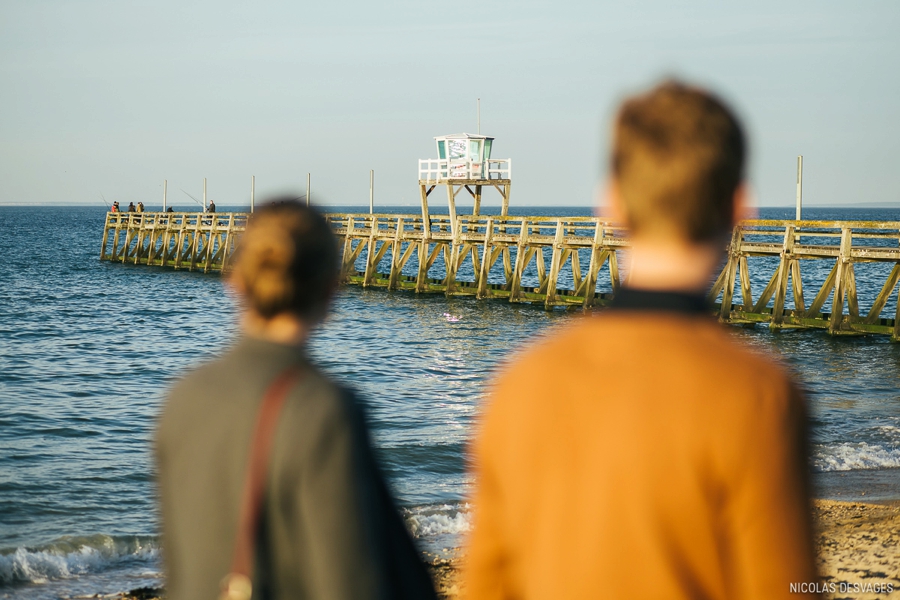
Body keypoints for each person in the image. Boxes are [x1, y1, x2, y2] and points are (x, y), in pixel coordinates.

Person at [464, 81, 820, 600]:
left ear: (610, 204)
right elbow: (787, 586)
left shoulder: (520, 382)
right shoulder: (757, 393)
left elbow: (488, 585)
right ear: (741, 207)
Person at [156, 200, 437, 600]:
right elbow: (351, 579)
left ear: (235, 281)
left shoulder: (182, 398)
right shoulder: (321, 408)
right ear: (330, 288)